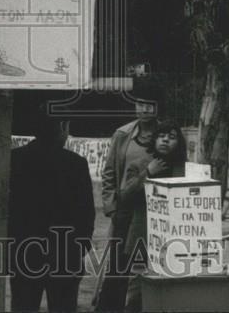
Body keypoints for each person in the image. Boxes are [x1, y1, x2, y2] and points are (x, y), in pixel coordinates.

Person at [8, 109, 95, 313]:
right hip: (65, 254)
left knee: (23, 306)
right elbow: (86, 213)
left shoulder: (15, 159)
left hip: (24, 253)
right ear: (62, 127)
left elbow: (6, 209)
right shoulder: (76, 164)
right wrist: (80, 246)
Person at [94, 92, 160, 312]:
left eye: (150, 104)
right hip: (125, 209)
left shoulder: (166, 135)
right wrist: (111, 207)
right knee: (118, 267)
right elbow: (110, 172)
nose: (145, 109)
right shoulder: (122, 134)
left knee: (148, 267)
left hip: (154, 212)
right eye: (141, 103)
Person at [115, 119, 188, 313]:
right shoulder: (139, 165)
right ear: (154, 140)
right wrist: (148, 173)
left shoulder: (187, 170)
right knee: (136, 293)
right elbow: (124, 196)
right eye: (161, 136)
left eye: (171, 137)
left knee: (171, 293)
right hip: (142, 238)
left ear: (178, 143)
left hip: (176, 241)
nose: (165, 140)